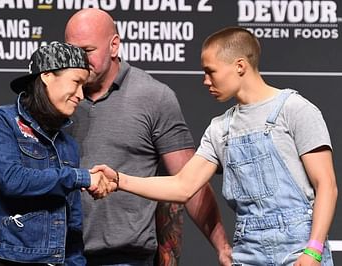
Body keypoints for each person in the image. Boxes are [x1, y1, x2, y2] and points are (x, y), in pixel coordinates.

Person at [93, 26, 338, 266]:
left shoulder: (294, 109)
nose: (205, 81)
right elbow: (183, 186)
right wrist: (119, 180)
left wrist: (314, 250)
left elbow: (326, 185)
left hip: (300, 249)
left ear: (239, 66)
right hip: (248, 252)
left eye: (211, 72)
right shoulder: (221, 128)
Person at [64, 8, 232, 266]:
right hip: (57, 254)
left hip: (125, 257)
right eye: (71, 50)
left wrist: (221, 246)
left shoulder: (153, 97)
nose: (77, 59)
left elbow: (189, 182)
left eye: (87, 51)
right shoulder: (55, 97)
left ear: (114, 46)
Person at [0, 41, 113, 266]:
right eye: (76, 82)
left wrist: (75, 262)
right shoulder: (0, 121)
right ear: (47, 76)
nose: (81, 94)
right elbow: (12, 180)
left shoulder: (67, 144)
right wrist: (80, 176)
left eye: (85, 87)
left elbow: (71, 221)